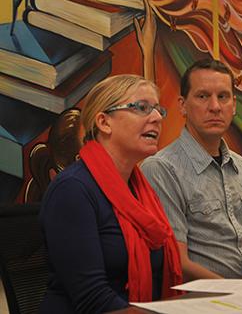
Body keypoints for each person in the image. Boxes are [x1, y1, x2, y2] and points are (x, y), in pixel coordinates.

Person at [39, 75, 183, 314]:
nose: (157, 117)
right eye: (142, 108)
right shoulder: (72, 190)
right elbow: (92, 298)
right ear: (104, 122)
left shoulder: (140, 189)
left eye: (158, 109)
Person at [141, 59, 242, 281]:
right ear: (182, 105)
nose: (215, 106)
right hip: (204, 302)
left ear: (233, 106)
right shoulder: (161, 169)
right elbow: (178, 261)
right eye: (203, 96)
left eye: (223, 97)